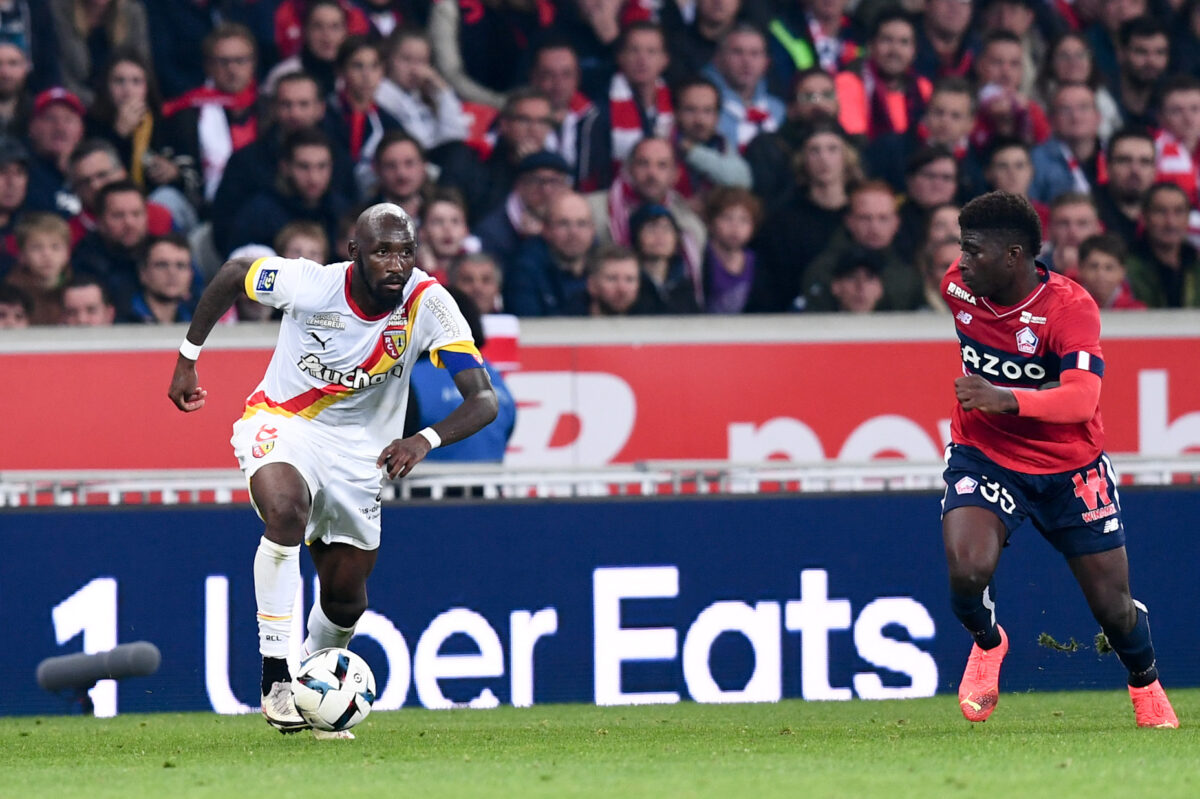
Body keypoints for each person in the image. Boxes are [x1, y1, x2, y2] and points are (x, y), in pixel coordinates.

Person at [166, 202, 499, 739]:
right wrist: (188, 357)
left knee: (347, 597)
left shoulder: (428, 303)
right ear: (354, 254)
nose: (397, 264)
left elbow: (483, 399)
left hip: (360, 455)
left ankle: (313, 694)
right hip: (283, 420)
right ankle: (276, 676)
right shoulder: (311, 283)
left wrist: (424, 438)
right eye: (383, 252)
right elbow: (232, 276)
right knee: (286, 511)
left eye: (406, 251)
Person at [940, 190, 1178, 729]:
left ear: (1014, 257)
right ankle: (989, 642)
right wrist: (994, 410)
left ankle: (1145, 684)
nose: (961, 261)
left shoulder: (1070, 308)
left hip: (1071, 467)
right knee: (966, 571)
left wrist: (1006, 397)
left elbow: (1082, 400)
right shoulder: (957, 287)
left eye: (974, 250)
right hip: (986, 455)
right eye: (962, 247)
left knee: (1113, 609)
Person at [405, 285, 515, 463]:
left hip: (426, 487)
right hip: (490, 487)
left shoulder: (412, 379)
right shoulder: (495, 376)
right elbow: (507, 431)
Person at [1076, 232, 1146, 310]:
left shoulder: (1136, 311)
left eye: (1109, 268)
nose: (1101, 274)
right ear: (1081, 269)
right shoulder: (1068, 308)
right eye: (1093, 266)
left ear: (1122, 272)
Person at [586, 243, 641, 317]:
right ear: (592, 285)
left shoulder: (652, 320)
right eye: (612, 279)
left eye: (629, 279)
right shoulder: (568, 320)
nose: (622, 289)